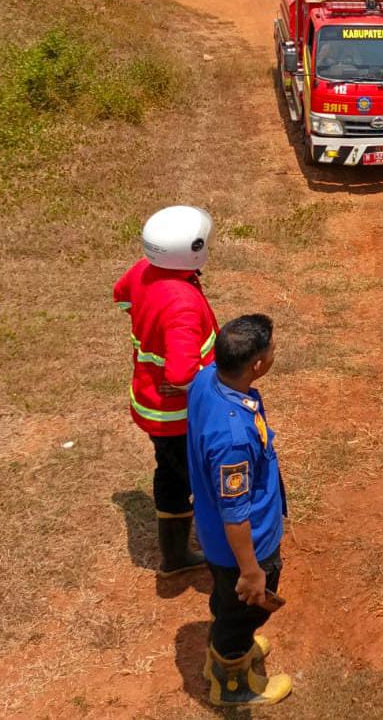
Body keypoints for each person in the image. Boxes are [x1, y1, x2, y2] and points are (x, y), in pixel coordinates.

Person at [187, 314, 292, 707]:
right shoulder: (233, 438)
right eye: (272, 351)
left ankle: (233, 641)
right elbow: (236, 515)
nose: (274, 354)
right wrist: (251, 571)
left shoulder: (206, 380)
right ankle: (232, 683)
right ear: (257, 366)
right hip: (244, 546)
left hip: (214, 536)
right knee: (244, 607)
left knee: (226, 601)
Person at [113, 206, 218, 577]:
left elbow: (122, 296)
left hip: (147, 400)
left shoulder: (144, 270)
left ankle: (177, 550)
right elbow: (180, 372)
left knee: (171, 471)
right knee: (187, 479)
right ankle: (185, 555)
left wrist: (148, 322)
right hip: (175, 416)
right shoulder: (182, 305)